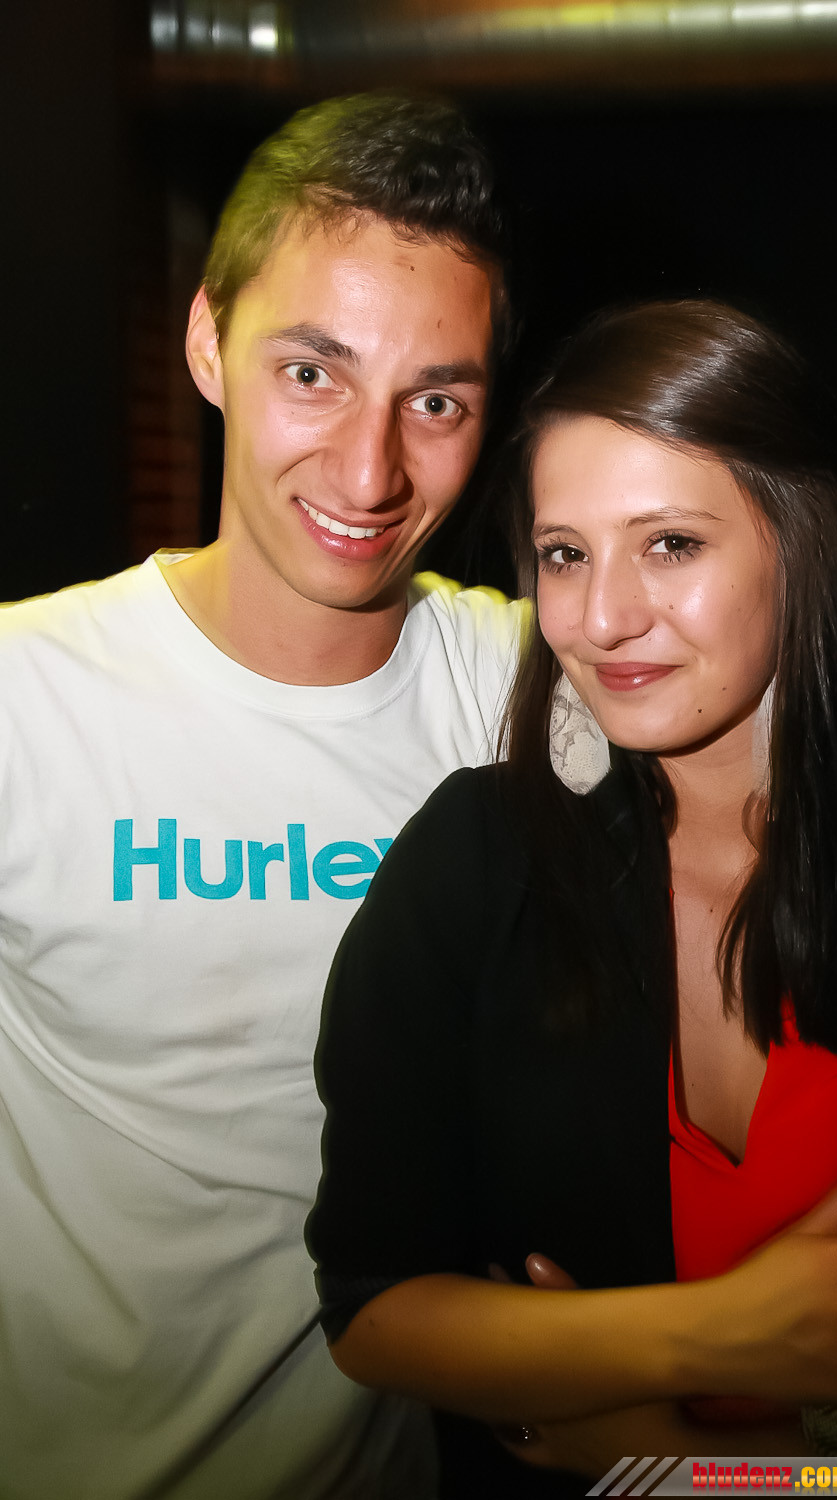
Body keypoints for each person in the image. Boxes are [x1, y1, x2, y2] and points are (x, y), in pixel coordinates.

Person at [307, 300, 837, 1495]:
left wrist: (678, 1467)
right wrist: (719, 1333)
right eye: (563, 554)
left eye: (669, 543)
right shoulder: (473, 862)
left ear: (804, 542)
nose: (598, 618)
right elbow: (373, 1312)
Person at [0, 94, 526, 1500]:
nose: (369, 470)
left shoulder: (533, 689)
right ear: (205, 345)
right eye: (312, 372)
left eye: (435, 401)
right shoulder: (23, 697)